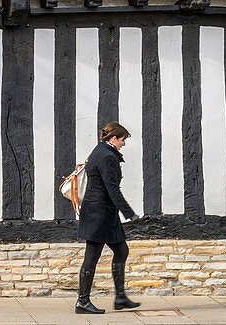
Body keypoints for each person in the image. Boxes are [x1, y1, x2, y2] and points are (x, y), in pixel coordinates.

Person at [75, 122, 142, 315]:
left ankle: (120, 297)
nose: (124, 144)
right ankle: (82, 301)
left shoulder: (100, 150)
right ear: (113, 139)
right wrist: (129, 213)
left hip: (104, 213)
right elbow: (112, 189)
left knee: (121, 250)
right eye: (122, 140)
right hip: (98, 214)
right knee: (91, 258)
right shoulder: (106, 157)